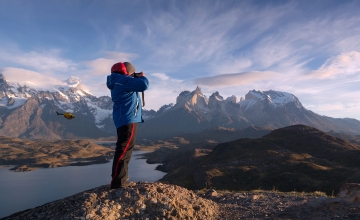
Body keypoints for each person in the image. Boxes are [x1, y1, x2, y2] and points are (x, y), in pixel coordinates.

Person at [106, 62, 149, 189]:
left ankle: (119, 178)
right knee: (124, 150)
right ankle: (119, 181)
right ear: (128, 72)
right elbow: (144, 85)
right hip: (128, 119)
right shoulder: (123, 80)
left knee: (123, 149)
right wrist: (141, 76)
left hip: (123, 118)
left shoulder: (117, 81)